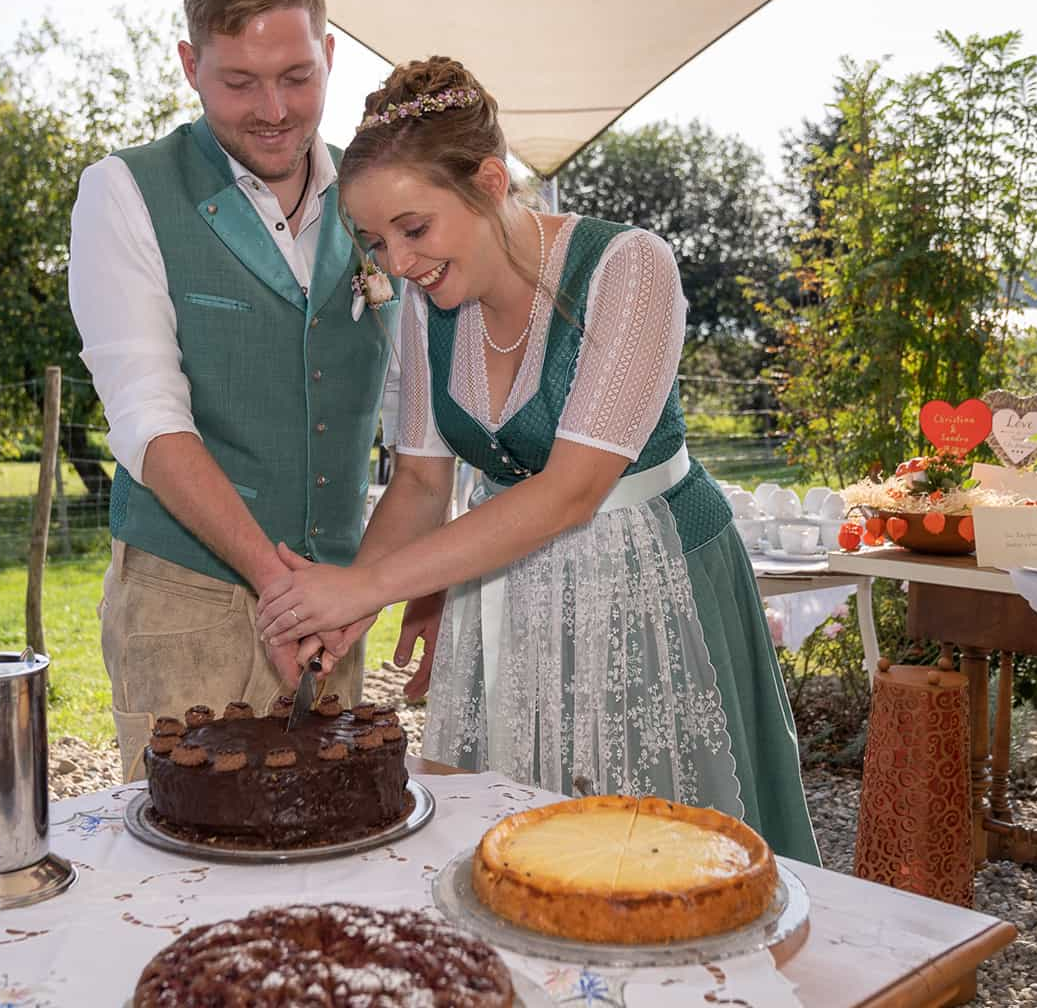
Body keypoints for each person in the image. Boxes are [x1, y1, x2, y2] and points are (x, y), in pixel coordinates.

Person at [255, 58, 820, 860]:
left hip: (651, 586)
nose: (399, 262)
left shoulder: (627, 268)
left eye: (415, 229)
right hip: (511, 590)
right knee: (521, 852)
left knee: (657, 856)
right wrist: (352, 609)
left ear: (490, 182)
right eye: (377, 241)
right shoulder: (426, 305)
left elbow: (569, 493)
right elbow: (419, 481)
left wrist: (373, 580)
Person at [67, 0, 393, 781]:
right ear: (188, 63)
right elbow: (148, 419)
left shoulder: (375, 199)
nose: (274, 110)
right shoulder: (124, 192)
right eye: (239, 81)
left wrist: (387, 580)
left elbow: (421, 412)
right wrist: (277, 588)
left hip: (333, 605)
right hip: (186, 602)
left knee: (328, 845)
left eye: (297, 77)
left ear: (328, 53)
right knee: (187, 861)